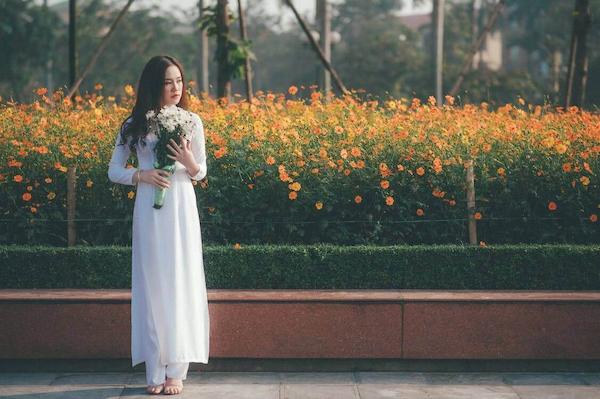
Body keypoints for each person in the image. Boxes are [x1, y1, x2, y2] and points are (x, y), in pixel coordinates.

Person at [108, 55, 210, 395]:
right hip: (150, 210)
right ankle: (155, 367)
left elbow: (201, 172)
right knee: (153, 284)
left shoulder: (192, 121)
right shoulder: (134, 125)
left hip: (181, 205)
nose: (176, 88)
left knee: (181, 279)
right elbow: (114, 170)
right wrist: (143, 174)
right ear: (154, 85)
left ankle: (176, 369)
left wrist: (188, 161)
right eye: (168, 82)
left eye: (179, 81)